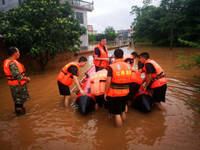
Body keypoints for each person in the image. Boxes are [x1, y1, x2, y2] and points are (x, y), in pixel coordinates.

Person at [104, 49, 132, 127]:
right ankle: (124, 127)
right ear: (123, 56)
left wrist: (105, 93)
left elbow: (108, 82)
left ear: (114, 56)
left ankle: (119, 133)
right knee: (123, 111)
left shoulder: (111, 67)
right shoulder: (128, 66)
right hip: (126, 92)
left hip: (115, 93)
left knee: (116, 114)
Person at [3, 47, 30, 116]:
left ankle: (19, 116)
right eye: (18, 52)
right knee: (19, 103)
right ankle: (20, 118)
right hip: (17, 86)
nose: (19, 53)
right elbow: (17, 76)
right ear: (15, 53)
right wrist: (26, 79)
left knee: (18, 101)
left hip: (16, 85)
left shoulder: (9, 61)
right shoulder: (12, 63)